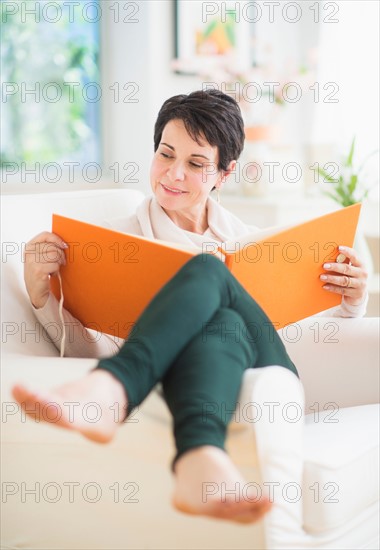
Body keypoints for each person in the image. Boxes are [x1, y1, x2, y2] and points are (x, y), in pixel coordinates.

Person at [13, 90, 368, 524]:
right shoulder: (113, 243)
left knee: (210, 270)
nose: (173, 174)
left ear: (224, 172)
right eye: (165, 154)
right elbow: (90, 348)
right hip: (193, 381)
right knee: (219, 323)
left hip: (268, 376)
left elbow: (297, 330)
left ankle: (113, 391)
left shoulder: (250, 241)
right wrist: (40, 293)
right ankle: (200, 460)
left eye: (197, 164)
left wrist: (350, 300)